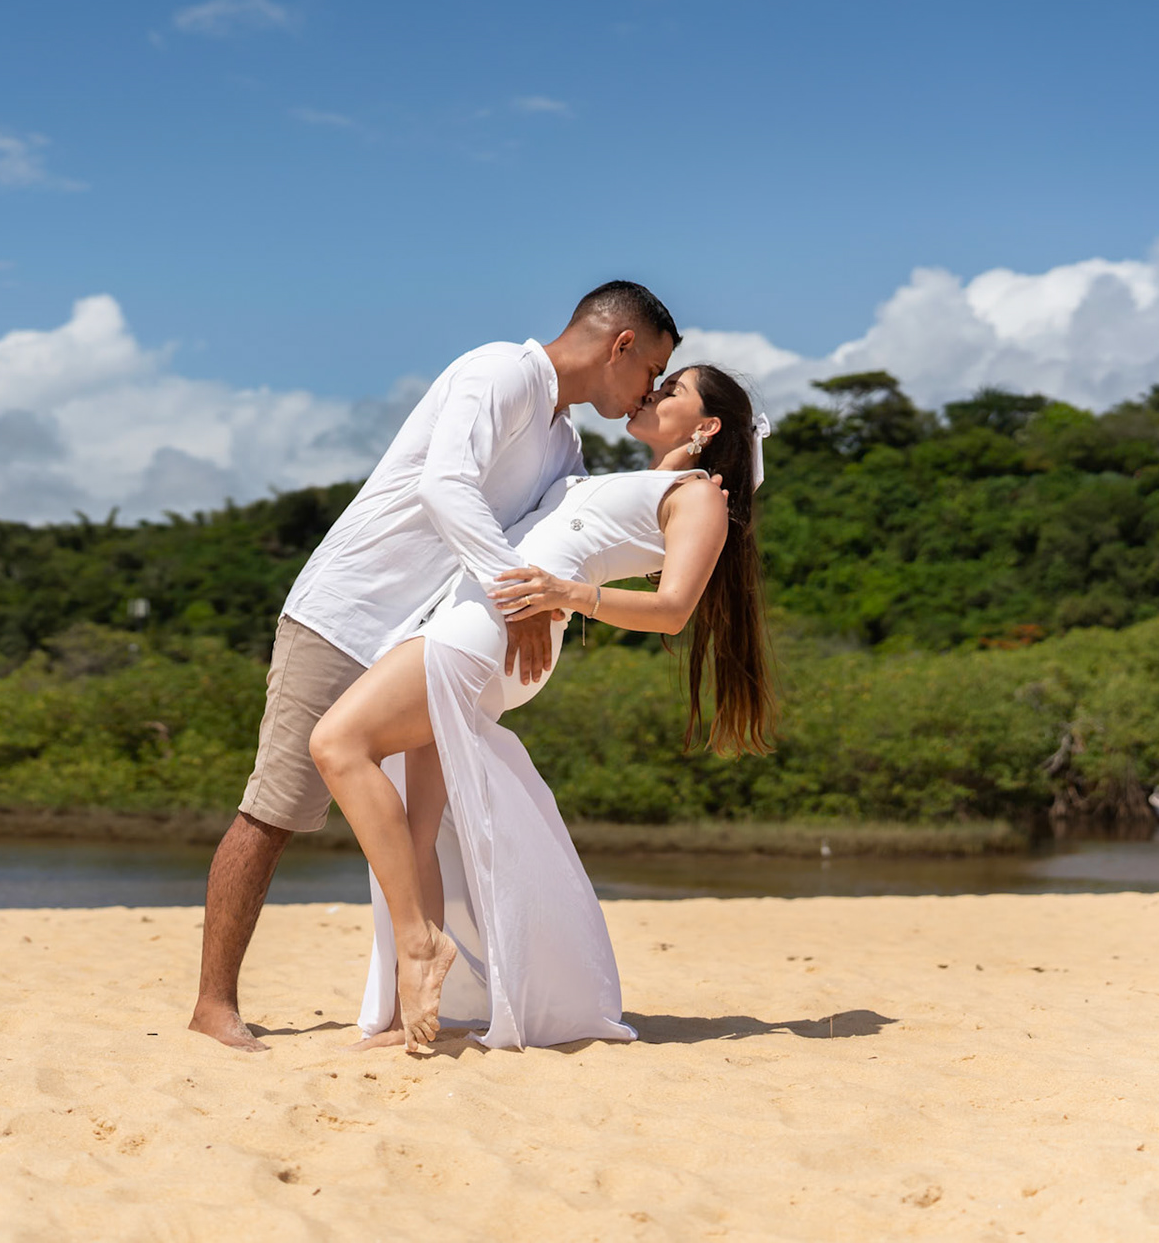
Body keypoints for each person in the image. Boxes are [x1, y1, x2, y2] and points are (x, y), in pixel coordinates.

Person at [188, 282, 681, 1051]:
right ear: (620, 345)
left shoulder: (566, 447)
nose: (648, 390)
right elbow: (444, 484)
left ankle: (404, 997)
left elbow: (558, 533)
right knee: (277, 809)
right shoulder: (500, 373)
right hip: (346, 614)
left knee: (431, 826)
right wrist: (515, 603)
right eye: (651, 369)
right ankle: (213, 1005)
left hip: (424, 638)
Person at [309, 364, 776, 1051]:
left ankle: (420, 943)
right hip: (464, 621)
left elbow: (674, 611)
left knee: (338, 745)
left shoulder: (699, 493)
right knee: (420, 829)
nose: (651, 390)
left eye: (671, 388)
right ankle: (417, 1017)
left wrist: (569, 596)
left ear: (706, 428)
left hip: (493, 633)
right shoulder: (606, 476)